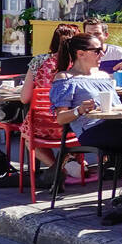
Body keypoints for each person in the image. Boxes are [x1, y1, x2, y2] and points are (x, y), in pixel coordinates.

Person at [51, 33, 122, 176]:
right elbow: (60, 118)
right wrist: (80, 110)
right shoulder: (66, 78)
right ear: (81, 54)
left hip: (116, 124)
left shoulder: (103, 75)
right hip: (92, 130)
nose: (102, 54)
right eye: (97, 51)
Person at [19, 23, 78, 185]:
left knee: (26, 136)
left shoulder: (39, 61)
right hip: (72, 127)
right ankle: (66, 164)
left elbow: (24, 98)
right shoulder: (80, 65)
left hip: (42, 125)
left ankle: (56, 169)